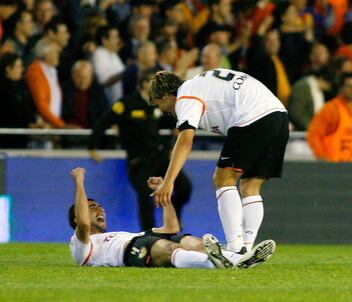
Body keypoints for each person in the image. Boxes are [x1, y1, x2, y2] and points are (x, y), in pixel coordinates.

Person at [148, 69, 288, 256]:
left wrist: (169, 180)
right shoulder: (200, 84)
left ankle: (234, 248)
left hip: (252, 117)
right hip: (278, 116)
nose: (166, 112)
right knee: (250, 186)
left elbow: (185, 140)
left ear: (166, 96)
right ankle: (245, 247)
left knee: (222, 179)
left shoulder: (185, 95)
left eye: (161, 106)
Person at [69, 167, 275, 269]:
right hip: (131, 251)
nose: (100, 210)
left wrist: (163, 195)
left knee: (189, 241)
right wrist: (79, 182)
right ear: (78, 218)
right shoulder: (80, 244)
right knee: (168, 249)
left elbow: (171, 226)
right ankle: (216, 263)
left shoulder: (118, 234)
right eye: (91, 207)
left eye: (99, 206)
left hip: (140, 238)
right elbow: (84, 224)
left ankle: (239, 260)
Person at [88, 68, 192, 230]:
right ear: (144, 84)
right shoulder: (126, 104)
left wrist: (177, 132)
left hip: (160, 156)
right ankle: (149, 235)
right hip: (139, 161)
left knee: (185, 187)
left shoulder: (160, 104)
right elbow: (103, 122)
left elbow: (172, 123)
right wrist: (92, 146)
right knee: (145, 197)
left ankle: (176, 214)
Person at [307, 72, 352, 162]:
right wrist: (322, 157)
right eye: (350, 86)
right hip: (335, 168)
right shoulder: (331, 109)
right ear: (340, 88)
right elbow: (313, 134)